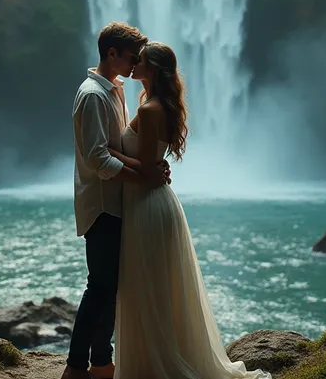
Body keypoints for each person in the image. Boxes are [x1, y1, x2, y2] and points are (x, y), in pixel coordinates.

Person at [108, 41, 272, 379]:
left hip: (148, 205)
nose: (133, 64)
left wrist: (107, 152)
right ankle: (154, 362)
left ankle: (156, 366)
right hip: (151, 204)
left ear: (151, 68)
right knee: (156, 288)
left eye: (139, 61)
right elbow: (152, 166)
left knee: (148, 288)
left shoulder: (152, 109)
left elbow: (148, 169)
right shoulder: (153, 104)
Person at [61, 23, 171, 379]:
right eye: (130, 56)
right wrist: (144, 175)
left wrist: (149, 162)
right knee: (100, 288)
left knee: (109, 288)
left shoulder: (115, 90)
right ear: (111, 53)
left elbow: (120, 147)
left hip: (120, 202)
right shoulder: (94, 94)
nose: (136, 62)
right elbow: (98, 158)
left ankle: (101, 362)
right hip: (103, 204)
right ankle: (76, 368)